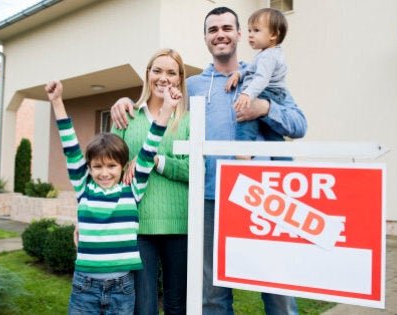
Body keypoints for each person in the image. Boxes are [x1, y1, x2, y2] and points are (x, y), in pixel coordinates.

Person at [111, 7, 307, 315]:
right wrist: (124, 102)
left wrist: (264, 108)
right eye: (213, 29)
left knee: (278, 290)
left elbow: (299, 124)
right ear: (205, 38)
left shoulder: (263, 76)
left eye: (227, 27)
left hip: (260, 198)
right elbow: (157, 99)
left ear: (240, 34)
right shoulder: (194, 87)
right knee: (211, 297)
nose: (220, 34)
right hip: (207, 201)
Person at [45, 78, 182, 314]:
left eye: (111, 166)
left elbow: (150, 146)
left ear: (122, 167)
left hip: (122, 288)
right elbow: (69, 145)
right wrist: (57, 101)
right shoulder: (84, 188)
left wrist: (167, 109)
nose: (104, 173)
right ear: (88, 168)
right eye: (97, 167)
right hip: (84, 287)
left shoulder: (132, 189)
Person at [111, 48, 190, 315]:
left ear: (180, 79)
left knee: (177, 306)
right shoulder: (126, 116)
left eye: (171, 72)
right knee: (142, 308)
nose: (163, 78)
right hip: (137, 223)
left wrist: (155, 160)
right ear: (148, 74)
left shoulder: (187, 121)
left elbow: (196, 169)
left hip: (179, 225)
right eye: (157, 70)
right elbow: (109, 167)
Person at [225, 8, 294, 160]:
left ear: (274, 34)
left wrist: (247, 93)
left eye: (256, 30)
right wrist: (238, 73)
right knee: (271, 133)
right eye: (249, 30)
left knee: (246, 116)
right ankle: (284, 159)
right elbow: (251, 70)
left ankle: (244, 150)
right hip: (273, 94)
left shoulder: (267, 57)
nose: (250, 34)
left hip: (267, 92)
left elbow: (261, 78)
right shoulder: (267, 53)